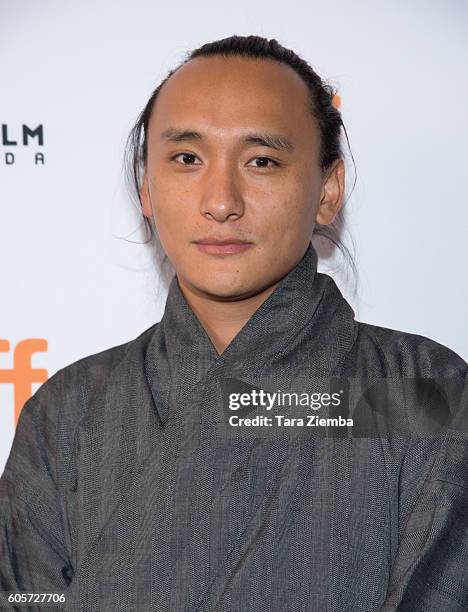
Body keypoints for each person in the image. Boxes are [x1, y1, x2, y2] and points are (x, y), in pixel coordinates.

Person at [1, 35, 467, 612]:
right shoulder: (67, 411)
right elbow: (30, 600)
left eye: (262, 161)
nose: (221, 201)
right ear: (146, 187)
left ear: (327, 191)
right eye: (187, 159)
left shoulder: (421, 392)